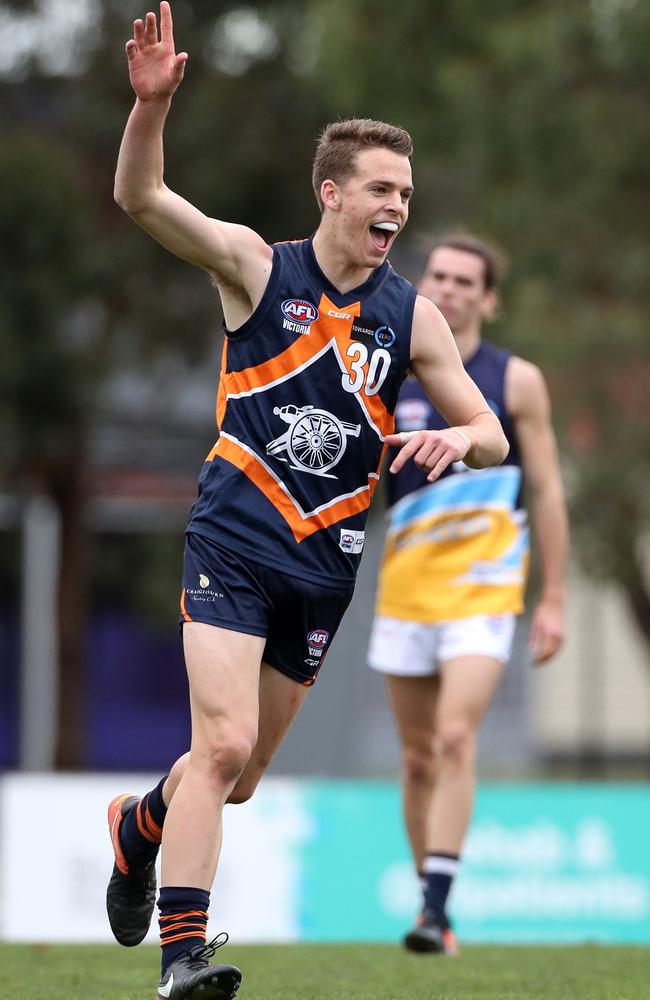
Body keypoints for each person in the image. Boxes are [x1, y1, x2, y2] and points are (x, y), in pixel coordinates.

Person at [106, 6, 509, 999]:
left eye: (406, 193)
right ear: (330, 193)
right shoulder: (255, 266)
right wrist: (149, 107)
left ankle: (137, 825)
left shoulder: (409, 312)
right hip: (233, 541)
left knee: (234, 778)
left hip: (323, 571)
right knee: (224, 743)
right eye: (379, 189)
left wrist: (459, 435)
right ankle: (183, 961)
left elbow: (488, 432)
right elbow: (140, 195)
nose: (396, 207)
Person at [367, 233, 568, 956]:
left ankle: (433, 907)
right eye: (438, 276)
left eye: (464, 281)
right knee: (417, 756)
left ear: (488, 298)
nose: (447, 289)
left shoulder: (515, 381)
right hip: (407, 589)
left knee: (456, 736)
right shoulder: (390, 369)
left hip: (485, 588)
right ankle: (435, 914)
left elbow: (544, 488)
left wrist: (554, 599)